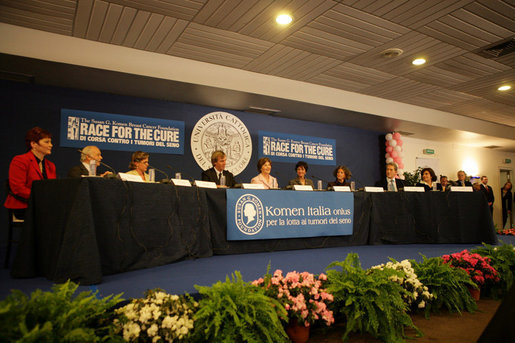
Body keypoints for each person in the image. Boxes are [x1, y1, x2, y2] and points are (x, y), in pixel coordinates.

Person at [4, 127, 56, 219]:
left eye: (50, 142)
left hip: (43, 206)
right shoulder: (20, 160)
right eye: (46, 142)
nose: (51, 145)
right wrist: (40, 197)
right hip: (24, 205)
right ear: (33, 144)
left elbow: (52, 188)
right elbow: (18, 188)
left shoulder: (50, 165)